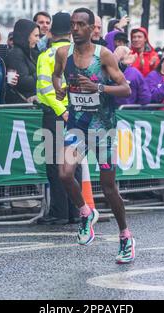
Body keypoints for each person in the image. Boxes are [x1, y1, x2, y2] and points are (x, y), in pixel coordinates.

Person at [52, 8, 135, 264]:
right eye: (73, 25)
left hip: (103, 129)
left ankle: (125, 236)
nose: (75, 28)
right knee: (65, 174)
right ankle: (86, 212)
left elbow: (125, 89)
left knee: (109, 188)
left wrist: (98, 87)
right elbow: (56, 76)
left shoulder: (104, 55)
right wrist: (60, 90)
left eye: (80, 25)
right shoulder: (63, 53)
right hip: (77, 126)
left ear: (91, 29)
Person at [36, 11, 81, 225]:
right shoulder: (80, 53)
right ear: (71, 34)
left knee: (55, 164)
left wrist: (60, 111)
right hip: (78, 114)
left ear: (52, 33)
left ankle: (59, 212)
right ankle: (76, 211)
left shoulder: (46, 56)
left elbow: (46, 89)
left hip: (55, 115)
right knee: (74, 164)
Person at [5, 19, 39, 104]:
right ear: (26, 35)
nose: (38, 39)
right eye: (36, 36)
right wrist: (41, 72)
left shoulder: (29, 52)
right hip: (20, 105)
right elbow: (24, 82)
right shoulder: (16, 53)